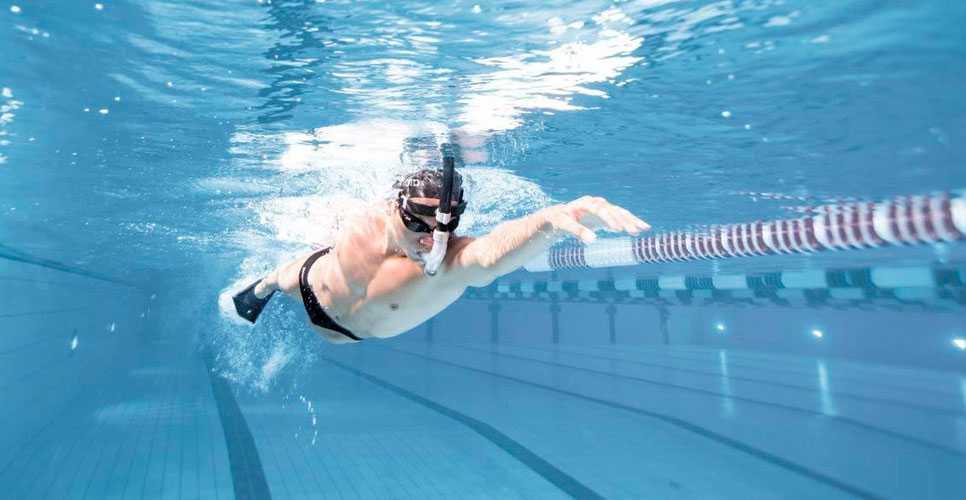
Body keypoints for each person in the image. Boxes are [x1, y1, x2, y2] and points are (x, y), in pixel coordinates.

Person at [231, 165, 649, 344]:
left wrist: (549, 222)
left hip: (350, 333)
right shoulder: (367, 215)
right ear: (394, 205)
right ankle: (261, 287)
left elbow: (489, 257)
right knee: (281, 278)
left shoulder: (449, 263)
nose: (429, 240)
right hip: (310, 281)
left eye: (442, 228)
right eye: (417, 224)